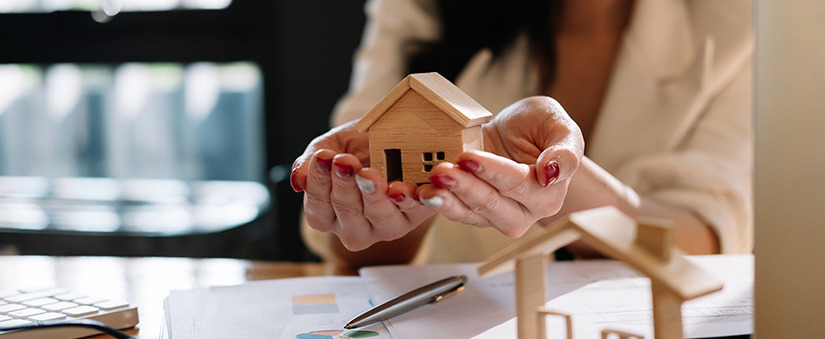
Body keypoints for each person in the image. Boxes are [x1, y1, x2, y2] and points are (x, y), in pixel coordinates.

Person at [290, 0, 753, 271]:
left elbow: (706, 240)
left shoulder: (744, 23)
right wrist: (400, 200)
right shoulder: (418, 7)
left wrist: (557, 186)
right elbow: (352, 246)